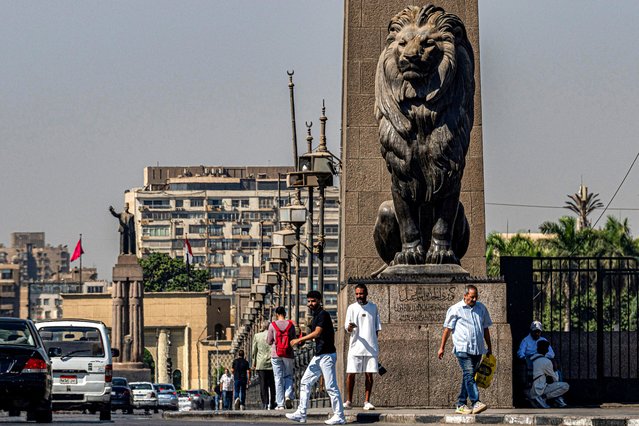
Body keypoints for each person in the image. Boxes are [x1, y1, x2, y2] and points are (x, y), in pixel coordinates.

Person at [286, 291, 346, 425]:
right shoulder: (316, 315)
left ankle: (339, 415)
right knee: (305, 382)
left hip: (327, 355)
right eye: (308, 301)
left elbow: (317, 333)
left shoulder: (323, 314)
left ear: (319, 300)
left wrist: (299, 340)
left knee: (331, 386)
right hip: (319, 355)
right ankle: (301, 414)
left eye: (313, 301)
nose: (310, 304)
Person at [438, 284, 492, 415]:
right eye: (471, 297)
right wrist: (442, 347)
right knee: (468, 374)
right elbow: (447, 329)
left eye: (475, 297)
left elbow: (485, 329)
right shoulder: (455, 309)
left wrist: (489, 346)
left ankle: (461, 403)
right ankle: (475, 402)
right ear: (465, 296)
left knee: (469, 376)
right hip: (462, 348)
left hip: (478, 349)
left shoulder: (481, 308)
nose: (474, 300)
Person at [344, 283, 381, 410]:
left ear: (366, 293)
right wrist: (350, 327)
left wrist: (373, 342)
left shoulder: (373, 307)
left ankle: (367, 401)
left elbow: (377, 328)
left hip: (371, 347)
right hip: (355, 346)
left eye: (361, 293)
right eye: (357, 294)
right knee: (351, 374)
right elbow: (347, 328)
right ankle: (349, 401)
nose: (359, 296)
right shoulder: (351, 308)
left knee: (369, 375)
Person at [267, 306, 296, 410]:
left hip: (276, 354)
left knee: (278, 378)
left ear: (276, 314)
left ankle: (280, 404)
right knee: (288, 375)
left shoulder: (272, 325)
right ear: (285, 313)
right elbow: (293, 339)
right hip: (288, 353)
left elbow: (269, 341)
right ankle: (288, 395)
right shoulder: (290, 325)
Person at [528, 340, 569, 408]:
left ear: (537, 349)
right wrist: (555, 369)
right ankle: (544, 397)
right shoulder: (546, 361)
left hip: (532, 388)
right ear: (547, 350)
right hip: (539, 389)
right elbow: (555, 379)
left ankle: (543, 398)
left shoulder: (531, 359)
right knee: (565, 386)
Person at [252, 321, 276, 410]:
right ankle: (273, 402)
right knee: (272, 384)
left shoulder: (257, 336)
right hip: (272, 362)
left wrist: (254, 363)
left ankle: (265, 403)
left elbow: (254, 351)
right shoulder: (273, 335)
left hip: (261, 363)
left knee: (263, 385)